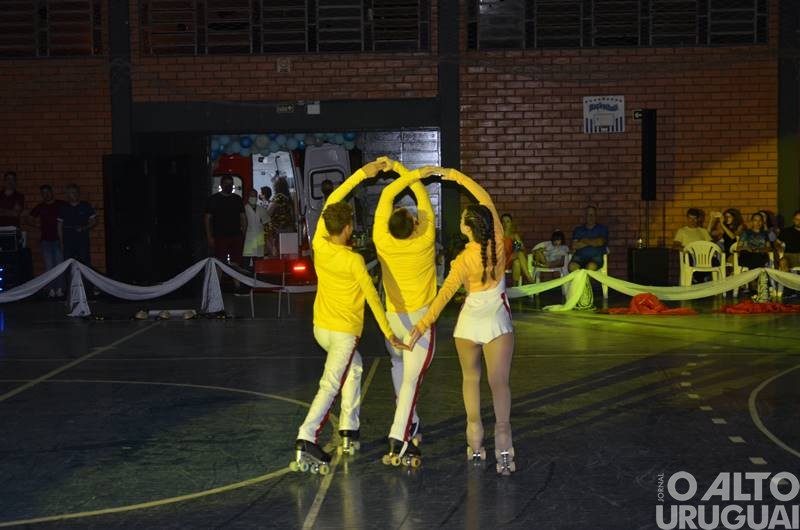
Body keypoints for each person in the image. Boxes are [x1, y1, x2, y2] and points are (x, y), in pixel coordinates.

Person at [292, 159, 407, 474]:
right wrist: (389, 333)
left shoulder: (319, 244)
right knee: (330, 383)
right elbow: (373, 299)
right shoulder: (354, 261)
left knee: (353, 370)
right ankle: (306, 438)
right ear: (347, 229)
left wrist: (361, 175)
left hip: (321, 330)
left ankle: (349, 428)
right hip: (343, 333)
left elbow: (332, 201)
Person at [408, 167, 516, 476]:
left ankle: (476, 444)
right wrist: (455, 175)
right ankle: (504, 449)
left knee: (471, 380)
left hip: (468, 326)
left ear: (468, 230)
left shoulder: (461, 261)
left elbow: (442, 297)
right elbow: (484, 196)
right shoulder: (497, 240)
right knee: (499, 384)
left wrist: (421, 324)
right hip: (497, 323)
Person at [371, 160, 438, 466]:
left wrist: (399, 171)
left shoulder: (381, 241)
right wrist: (412, 174)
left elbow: (386, 198)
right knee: (411, 380)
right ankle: (399, 437)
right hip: (419, 322)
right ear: (414, 225)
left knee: (398, 369)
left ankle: (411, 424)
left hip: (392, 319)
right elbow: (422, 199)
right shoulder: (425, 241)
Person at [27, 185, 64, 298]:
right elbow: (28, 218)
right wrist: (36, 224)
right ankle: (51, 290)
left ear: (52, 192)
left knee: (59, 266)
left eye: (47, 192)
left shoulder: (61, 204)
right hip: (45, 240)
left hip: (59, 239)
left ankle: (60, 289)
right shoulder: (40, 206)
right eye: (43, 193)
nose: (46, 194)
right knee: (49, 267)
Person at [204, 175, 247, 268]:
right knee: (220, 263)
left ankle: (236, 283)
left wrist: (242, 233)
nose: (229, 186)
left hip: (236, 236)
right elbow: (207, 219)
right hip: (220, 236)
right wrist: (209, 236)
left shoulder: (237, 199)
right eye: (227, 184)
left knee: (236, 263)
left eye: (231, 184)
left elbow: (243, 217)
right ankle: (218, 282)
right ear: (221, 185)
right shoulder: (213, 199)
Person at [58, 184, 96, 267]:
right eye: (71, 192)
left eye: (76, 192)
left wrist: (84, 228)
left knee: (84, 264)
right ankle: (70, 280)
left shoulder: (86, 205)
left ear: (79, 193)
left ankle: (84, 280)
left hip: (82, 241)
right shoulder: (63, 208)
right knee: (68, 264)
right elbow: (59, 226)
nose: (74, 194)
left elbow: (93, 221)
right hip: (68, 242)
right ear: (67, 195)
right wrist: (61, 242)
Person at [569, 206, 608, 272]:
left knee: (590, 267)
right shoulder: (578, 230)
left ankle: (586, 282)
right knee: (572, 267)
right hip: (579, 258)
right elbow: (574, 246)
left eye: (593, 215)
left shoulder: (602, 229)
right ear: (585, 216)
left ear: (596, 216)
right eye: (588, 215)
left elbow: (599, 243)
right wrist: (593, 241)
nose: (591, 217)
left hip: (595, 258)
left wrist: (583, 240)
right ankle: (582, 282)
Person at [267, 176, 295, 255]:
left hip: (279, 228)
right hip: (289, 228)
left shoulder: (278, 197)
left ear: (276, 187)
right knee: (288, 252)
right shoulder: (288, 198)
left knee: (279, 252)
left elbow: (268, 212)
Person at [501, 213, 532, 284]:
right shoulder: (498, 235)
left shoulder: (514, 235)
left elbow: (521, 247)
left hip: (512, 259)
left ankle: (515, 286)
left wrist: (516, 248)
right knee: (518, 254)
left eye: (508, 221)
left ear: (511, 223)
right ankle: (529, 278)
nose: (505, 224)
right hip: (502, 260)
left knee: (517, 262)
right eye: (503, 221)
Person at [242, 189, 269, 264]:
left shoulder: (262, 209)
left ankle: (258, 276)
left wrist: (267, 240)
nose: (253, 198)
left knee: (259, 263)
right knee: (246, 262)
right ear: (247, 197)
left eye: (254, 196)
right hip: (248, 239)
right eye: (251, 196)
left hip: (259, 239)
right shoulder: (244, 209)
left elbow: (267, 224)